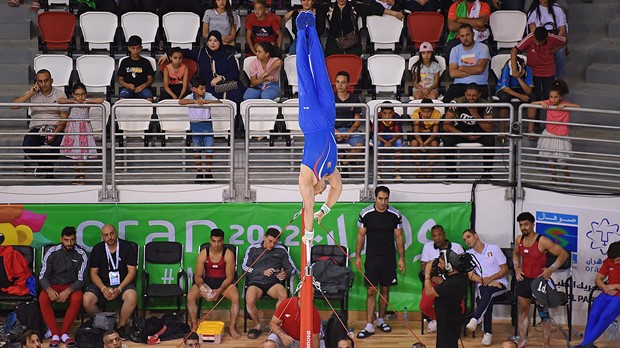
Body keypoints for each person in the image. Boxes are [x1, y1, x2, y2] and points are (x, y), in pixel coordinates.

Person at [296, 11, 343, 239]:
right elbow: (338, 189)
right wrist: (325, 211)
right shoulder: (330, 172)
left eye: (319, 194)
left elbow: (308, 206)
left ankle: (299, 33)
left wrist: (309, 233)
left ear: (315, 191)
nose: (325, 191)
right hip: (329, 117)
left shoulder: (307, 178)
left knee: (304, 74)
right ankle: (312, 29)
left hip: (311, 122)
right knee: (322, 72)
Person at [355, 185, 406, 338]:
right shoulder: (366, 213)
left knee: (385, 290)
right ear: (375, 198)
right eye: (380, 199)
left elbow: (399, 237)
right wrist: (358, 256)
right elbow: (361, 236)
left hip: (389, 258)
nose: (383, 202)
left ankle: (381, 320)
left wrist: (402, 258)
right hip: (372, 258)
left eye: (385, 199)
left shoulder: (395, 214)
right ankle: (369, 325)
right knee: (371, 290)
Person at [513, 211, 568, 348]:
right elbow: (515, 253)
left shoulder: (543, 241)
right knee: (523, 311)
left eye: (526, 224)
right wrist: (516, 267)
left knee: (543, 313)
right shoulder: (519, 239)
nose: (523, 227)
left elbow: (563, 254)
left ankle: (546, 343)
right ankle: (523, 340)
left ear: (532, 224)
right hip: (524, 280)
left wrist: (550, 269)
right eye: (521, 225)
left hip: (538, 282)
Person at [159, 31, 246, 105]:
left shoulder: (228, 55)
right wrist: (167, 54)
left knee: (236, 95)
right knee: (204, 94)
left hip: (228, 84)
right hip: (209, 85)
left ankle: (235, 121)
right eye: (210, 40)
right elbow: (183, 52)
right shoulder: (202, 53)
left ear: (220, 42)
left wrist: (221, 78)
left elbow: (235, 73)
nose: (212, 43)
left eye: (215, 41)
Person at [83, 224, 139, 340]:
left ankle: (120, 326)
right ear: (102, 237)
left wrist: (119, 289)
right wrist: (103, 288)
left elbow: (132, 272)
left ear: (116, 232)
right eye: (106, 235)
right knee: (87, 300)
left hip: (122, 283)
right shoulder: (98, 249)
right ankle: (104, 324)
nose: (110, 237)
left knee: (132, 296)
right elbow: (93, 273)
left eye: (112, 233)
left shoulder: (127, 247)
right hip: (102, 284)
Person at [12, 69, 69, 179]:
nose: (43, 84)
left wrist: (55, 133)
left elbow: (64, 117)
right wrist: (30, 93)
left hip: (55, 127)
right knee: (27, 145)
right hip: (37, 128)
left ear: (51, 80)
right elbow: (14, 106)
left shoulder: (60, 94)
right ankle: (47, 165)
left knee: (62, 145)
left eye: (46, 81)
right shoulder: (32, 93)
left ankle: (45, 165)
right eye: (40, 81)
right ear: (37, 82)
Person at [242, 227, 298, 339]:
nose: (272, 245)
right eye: (270, 241)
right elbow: (244, 268)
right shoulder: (253, 249)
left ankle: (274, 326)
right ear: (264, 238)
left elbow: (292, 269)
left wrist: (285, 274)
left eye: (275, 242)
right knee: (250, 299)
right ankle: (257, 326)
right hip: (256, 282)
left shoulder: (281, 250)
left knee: (283, 296)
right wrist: (262, 272)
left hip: (273, 282)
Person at [39, 226, 88, 348]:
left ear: (75, 239)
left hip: (72, 286)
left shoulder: (82, 254)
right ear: (61, 239)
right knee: (43, 298)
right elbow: (42, 276)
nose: (69, 243)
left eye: (72, 240)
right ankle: (55, 334)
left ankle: (64, 333)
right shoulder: (51, 252)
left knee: (77, 298)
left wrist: (68, 290)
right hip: (53, 285)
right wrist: (49, 289)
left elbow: (82, 279)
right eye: (66, 240)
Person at [186, 228, 240, 338]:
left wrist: (219, 290)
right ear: (210, 240)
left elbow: (230, 276)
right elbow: (197, 275)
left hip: (223, 283)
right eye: (213, 241)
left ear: (223, 241)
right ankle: (194, 326)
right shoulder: (203, 254)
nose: (216, 244)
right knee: (190, 296)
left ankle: (232, 328)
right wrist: (202, 287)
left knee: (235, 298)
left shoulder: (228, 254)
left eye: (219, 241)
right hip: (207, 282)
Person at [462, 229, 509, 347]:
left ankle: (477, 320)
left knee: (488, 295)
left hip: (500, 285)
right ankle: (486, 331)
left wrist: (492, 278)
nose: (467, 240)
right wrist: (488, 282)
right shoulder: (469, 255)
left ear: (476, 236)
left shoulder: (494, 249)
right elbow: (471, 275)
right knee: (487, 296)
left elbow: (505, 269)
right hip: (483, 285)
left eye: (468, 237)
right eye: (464, 239)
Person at [419, 224, 465, 333]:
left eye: (439, 234)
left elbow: (462, 267)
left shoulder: (456, 247)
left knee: (461, 308)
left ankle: (448, 322)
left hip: (452, 282)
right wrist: (434, 274)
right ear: (431, 237)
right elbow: (423, 266)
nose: (437, 238)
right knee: (424, 306)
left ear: (444, 234)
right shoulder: (428, 247)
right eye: (434, 235)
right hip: (434, 281)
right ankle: (439, 320)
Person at [532, 79, 580, 181]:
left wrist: (565, 105)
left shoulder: (565, 103)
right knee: (551, 158)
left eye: (555, 97)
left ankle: (568, 178)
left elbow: (579, 106)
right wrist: (541, 102)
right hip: (549, 133)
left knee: (561, 160)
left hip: (561, 136)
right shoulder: (548, 102)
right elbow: (532, 103)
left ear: (561, 96)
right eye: (551, 97)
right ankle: (553, 178)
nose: (553, 99)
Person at [443, 83, 494, 178]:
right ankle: (451, 172)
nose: (471, 98)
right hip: (462, 131)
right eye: (469, 95)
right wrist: (464, 135)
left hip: (479, 131)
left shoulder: (485, 104)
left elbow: (489, 128)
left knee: (490, 139)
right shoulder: (457, 102)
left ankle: (487, 172)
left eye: (474, 95)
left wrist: (476, 115)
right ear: (465, 94)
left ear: (479, 95)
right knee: (447, 139)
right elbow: (446, 125)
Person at [575, 241, 620, 348]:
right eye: (614, 260)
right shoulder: (608, 261)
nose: (616, 262)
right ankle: (586, 344)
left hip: (618, 297)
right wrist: (606, 288)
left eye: (618, 260)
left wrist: (616, 286)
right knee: (593, 314)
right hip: (607, 294)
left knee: (604, 317)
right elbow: (598, 279)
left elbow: (615, 286)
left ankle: (584, 345)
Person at [423, 248, 470, 348]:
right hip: (451, 318)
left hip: (448, 322)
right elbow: (446, 287)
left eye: (441, 263)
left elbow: (429, 292)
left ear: (449, 265)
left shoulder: (452, 283)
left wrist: (427, 274)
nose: (439, 265)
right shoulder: (460, 278)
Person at [179, 76, 222, 183]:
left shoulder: (208, 96)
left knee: (209, 150)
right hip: (195, 128)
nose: (204, 91)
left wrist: (208, 102)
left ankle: (208, 173)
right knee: (197, 150)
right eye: (201, 89)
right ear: (194, 89)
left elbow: (219, 102)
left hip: (208, 127)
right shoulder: (190, 96)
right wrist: (194, 101)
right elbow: (181, 101)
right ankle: (199, 173)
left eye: (204, 88)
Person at [58, 83, 102, 185]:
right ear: (73, 94)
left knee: (79, 155)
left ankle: (81, 175)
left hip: (82, 131)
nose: (80, 97)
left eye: (82, 94)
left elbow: (100, 100)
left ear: (86, 94)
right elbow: (60, 100)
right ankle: (78, 174)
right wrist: (74, 101)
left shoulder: (86, 103)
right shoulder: (73, 102)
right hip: (72, 130)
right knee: (73, 154)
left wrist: (85, 101)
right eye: (77, 94)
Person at [511, 27, 566, 105]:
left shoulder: (551, 37)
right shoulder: (530, 37)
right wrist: (514, 69)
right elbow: (514, 50)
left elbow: (564, 41)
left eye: (539, 42)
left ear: (545, 39)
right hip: (532, 72)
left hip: (548, 72)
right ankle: (536, 116)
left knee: (548, 96)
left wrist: (553, 50)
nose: (536, 43)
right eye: (535, 40)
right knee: (535, 97)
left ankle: (548, 116)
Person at [444, 24, 491, 103]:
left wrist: (462, 68)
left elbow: (480, 69)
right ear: (459, 36)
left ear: (473, 34)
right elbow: (453, 73)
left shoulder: (483, 47)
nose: (465, 38)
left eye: (467, 35)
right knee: (446, 102)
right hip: (459, 85)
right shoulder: (455, 50)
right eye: (462, 36)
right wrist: (474, 69)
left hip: (479, 85)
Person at [334, 71, 364, 177]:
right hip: (333, 130)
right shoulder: (329, 98)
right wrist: (335, 132)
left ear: (348, 84)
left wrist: (349, 132)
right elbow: (325, 120)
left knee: (360, 145)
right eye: (338, 82)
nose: (340, 85)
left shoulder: (354, 99)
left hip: (350, 129)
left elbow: (357, 120)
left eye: (343, 82)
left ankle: (345, 162)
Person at [526, 0, 568, 79]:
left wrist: (555, 42)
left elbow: (562, 29)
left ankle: (559, 80)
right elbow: (534, 32)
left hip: (555, 38)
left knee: (560, 51)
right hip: (540, 39)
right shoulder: (533, 11)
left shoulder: (557, 9)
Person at [495, 56, 534, 136]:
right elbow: (505, 88)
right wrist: (520, 96)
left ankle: (530, 130)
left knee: (533, 97)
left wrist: (519, 78)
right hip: (505, 88)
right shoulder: (507, 68)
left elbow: (528, 90)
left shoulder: (528, 69)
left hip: (520, 87)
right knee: (504, 98)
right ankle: (501, 131)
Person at [117, 35, 154, 101]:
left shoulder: (145, 62)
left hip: (143, 88)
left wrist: (142, 86)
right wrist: (127, 85)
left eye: (138, 48)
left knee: (149, 98)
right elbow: (120, 79)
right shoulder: (125, 62)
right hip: (128, 88)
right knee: (121, 99)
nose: (136, 51)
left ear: (141, 48)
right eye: (133, 48)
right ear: (129, 48)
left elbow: (150, 79)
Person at [374, 103, 405, 180]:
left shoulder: (396, 117)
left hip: (393, 136)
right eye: (384, 113)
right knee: (377, 145)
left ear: (393, 112)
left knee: (399, 144)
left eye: (390, 113)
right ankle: (378, 174)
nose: (387, 116)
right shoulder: (377, 116)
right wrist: (385, 142)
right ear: (381, 112)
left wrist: (391, 141)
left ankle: (397, 173)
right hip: (380, 137)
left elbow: (398, 133)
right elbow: (375, 133)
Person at [411, 98, 441, 176]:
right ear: (420, 109)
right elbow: (416, 132)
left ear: (433, 109)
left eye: (428, 112)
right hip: (418, 135)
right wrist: (421, 143)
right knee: (414, 144)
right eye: (423, 111)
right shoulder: (416, 113)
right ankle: (419, 171)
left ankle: (430, 171)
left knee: (434, 145)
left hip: (431, 135)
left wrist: (425, 143)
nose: (426, 114)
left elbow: (434, 133)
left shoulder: (437, 113)